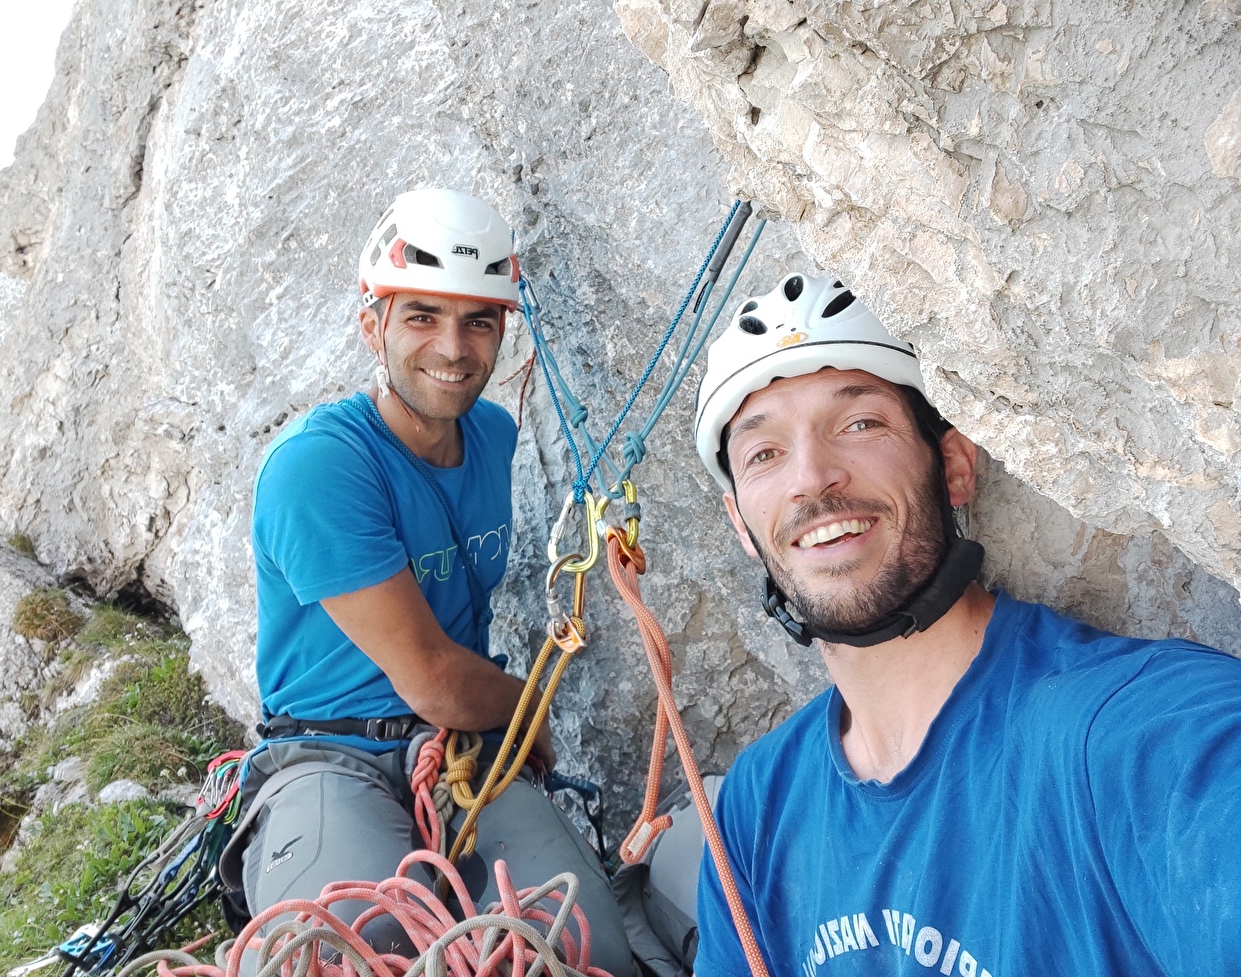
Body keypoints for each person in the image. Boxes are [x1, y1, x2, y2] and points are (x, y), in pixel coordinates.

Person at [687, 272, 1241, 976]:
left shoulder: (1129, 740)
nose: (811, 477)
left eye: (859, 423)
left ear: (952, 465)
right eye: (764, 453)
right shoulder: (755, 807)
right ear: (742, 523)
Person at [218, 188, 631, 976]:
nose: (453, 347)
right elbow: (435, 678)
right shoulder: (320, 467)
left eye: (479, 320)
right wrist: (529, 713)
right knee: (352, 946)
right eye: (422, 317)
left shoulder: (494, 435)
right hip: (329, 751)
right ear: (372, 323)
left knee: (580, 950)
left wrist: (500, 727)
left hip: (460, 750)